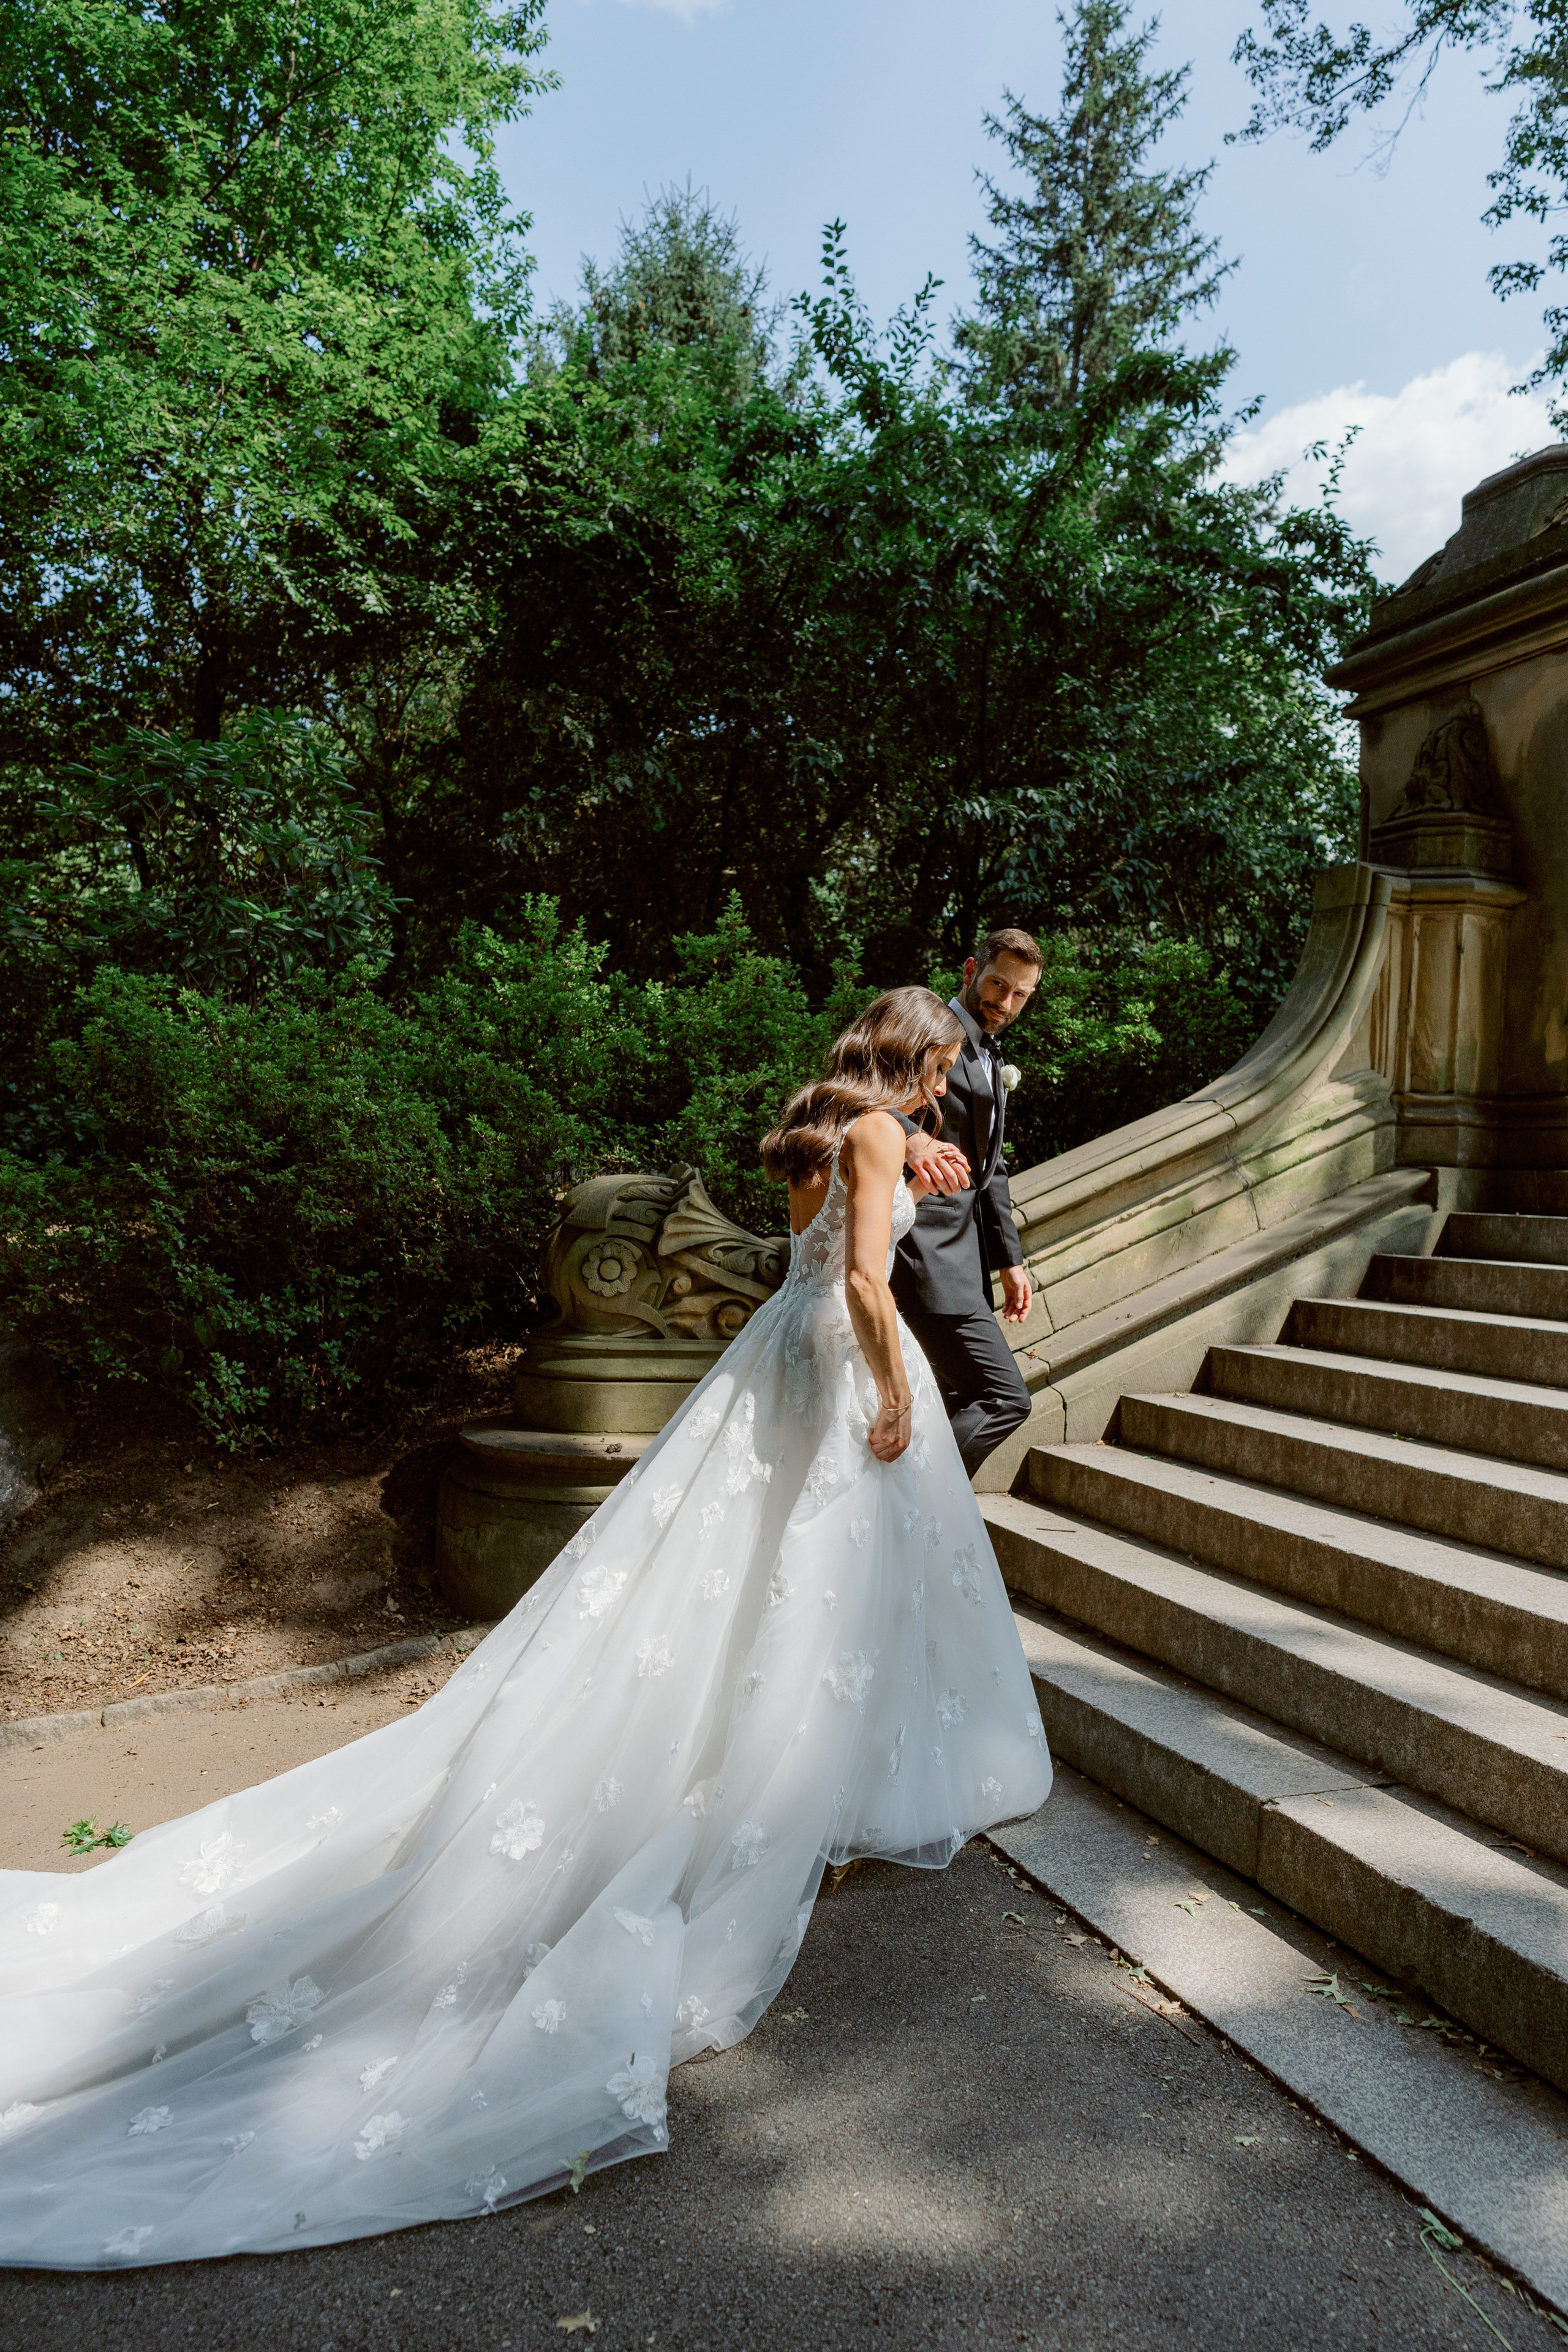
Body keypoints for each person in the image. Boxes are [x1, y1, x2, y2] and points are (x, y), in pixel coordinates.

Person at [0, 987, 1050, 2271]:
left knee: (783, 1585)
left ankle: (812, 1774)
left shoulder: (821, 1128)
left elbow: (808, 1260)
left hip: (781, 1355)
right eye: (946, 1065)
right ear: (925, 1056)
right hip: (841, 1360)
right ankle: (806, 1788)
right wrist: (897, 1397)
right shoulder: (880, 1134)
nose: (951, 1085)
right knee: (819, 1588)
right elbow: (871, 1287)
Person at [891, 929, 1042, 1478]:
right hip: (920, 1251)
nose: (1004, 1002)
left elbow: (990, 1171)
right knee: (1004, 1399)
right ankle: (907, 1500)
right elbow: (856, 1092)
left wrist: (1010, 1260)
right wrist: (910, 1135)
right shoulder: (926, 1027)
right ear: (971, 968)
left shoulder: (989, 1055)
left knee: (955, 1400)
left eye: (1020, 994)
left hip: (965, 1262)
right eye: (998, 984)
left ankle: (919, 1532)